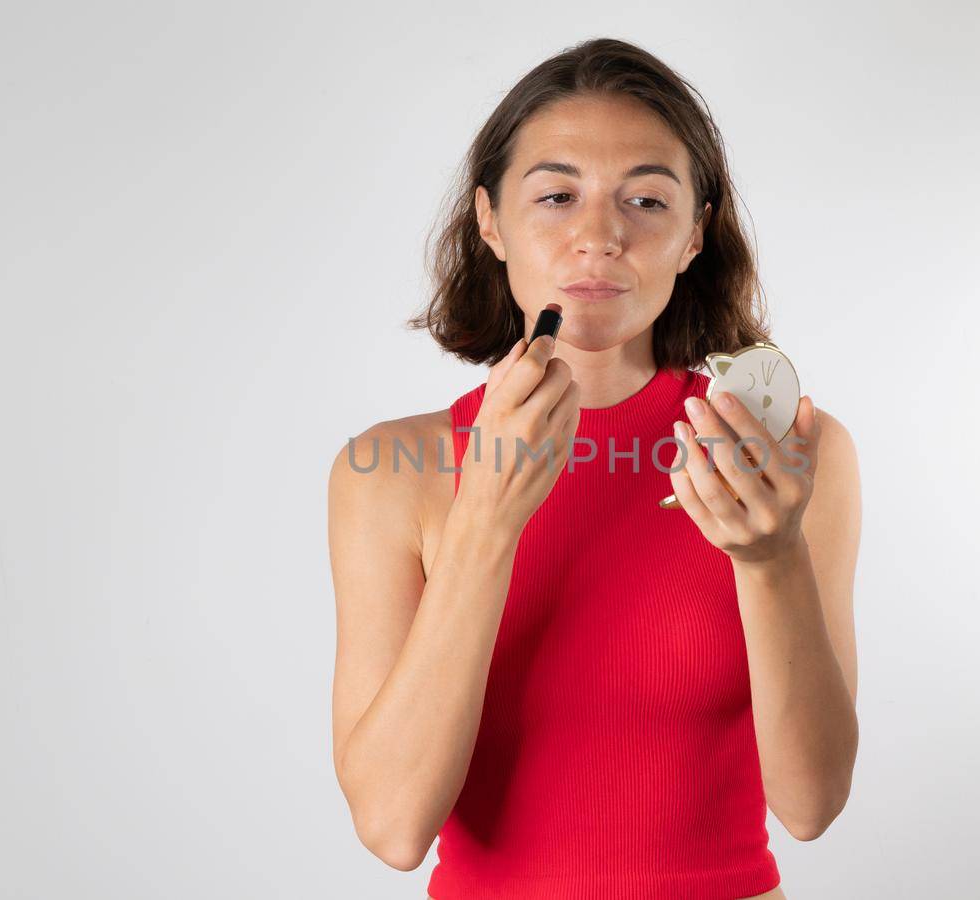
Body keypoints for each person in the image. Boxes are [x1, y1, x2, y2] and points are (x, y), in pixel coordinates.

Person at [327, 37, 861, 900]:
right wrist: (486, 523)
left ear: (696, 234)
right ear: (490, 221)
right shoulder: (389, 472)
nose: (599, 236)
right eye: (557, 195)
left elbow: (810, 804)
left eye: (646, 199)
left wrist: (769, 559)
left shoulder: (792, 455)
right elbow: (392, 828)